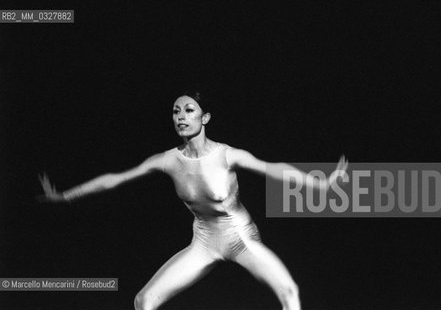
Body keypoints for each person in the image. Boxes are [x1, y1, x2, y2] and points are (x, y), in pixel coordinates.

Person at [38, 92, 347, 310]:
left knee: (289, 292)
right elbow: (116, 179)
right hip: (203, 242)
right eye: (176, 111)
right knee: (144, 301)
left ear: (205, 116)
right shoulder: (167, 160)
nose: (181, 117)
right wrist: (66, 195)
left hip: (239, 237)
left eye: (189, 110)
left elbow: (272, 169)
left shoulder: (227, 155)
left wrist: (322, 184)